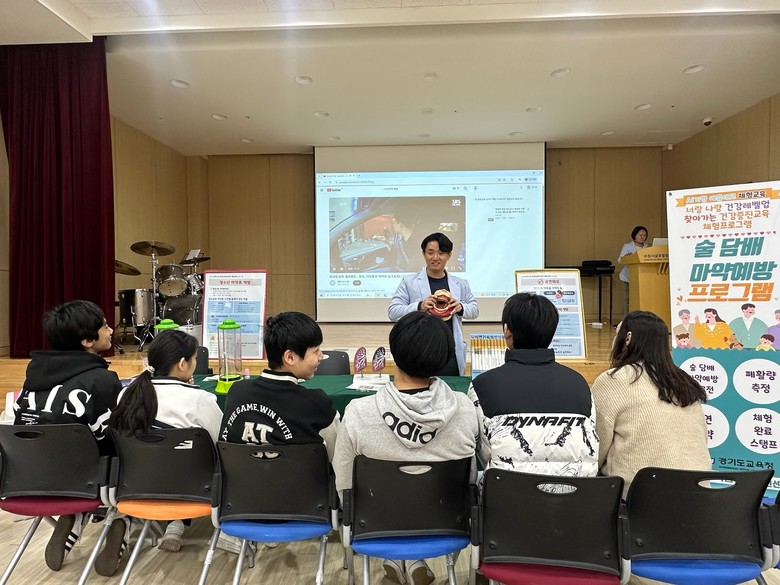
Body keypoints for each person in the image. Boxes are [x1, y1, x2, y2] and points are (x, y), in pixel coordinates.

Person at [333, 311, 479, 585]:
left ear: (394, 352)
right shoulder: (465, 409)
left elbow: (343, 483)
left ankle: (400, 559)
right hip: (446, 525)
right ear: (444, 356)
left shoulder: (359, 412)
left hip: (375, 525)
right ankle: (411, 560)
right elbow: (471, 478)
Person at [12, 300, 124, 574]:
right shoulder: (100, 380)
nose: (111, 330)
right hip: (87, 481)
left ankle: (74, 517)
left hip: (31, 478)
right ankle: (126, 523)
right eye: (105, 326)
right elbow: (111, 440)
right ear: (87, 341)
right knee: (133, 453)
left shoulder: (32, 378)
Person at [109, 329, 223, 554]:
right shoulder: (199, 399)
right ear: (182, 364)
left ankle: (139, 522)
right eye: (194, 359)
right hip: (193, 490)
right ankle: (184, 526)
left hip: (136, 487)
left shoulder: (127, 394)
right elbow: (221, 444)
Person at [467, 292, 598, 478]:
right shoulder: (580, 384)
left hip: (505, 494)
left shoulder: (482, 385)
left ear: (507, 330)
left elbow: (481, 450)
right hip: (576, 494)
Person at [591, 311, 710, 498]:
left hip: (641, 497)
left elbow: (596, 447)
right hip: (700, 494)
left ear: (628, 338)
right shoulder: (683, 381)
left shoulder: (613, 380)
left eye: (616, 334)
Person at [388, 232, 478, 375]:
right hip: (419, 351)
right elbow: (393, 312)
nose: (435, 257)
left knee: (451, 387)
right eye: (430, 253)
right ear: (423, 254)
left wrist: (461, 307)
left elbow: (474, 310)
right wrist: (420, 306)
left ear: (449, 255)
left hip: (450, 353)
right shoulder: (409, 282)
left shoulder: (460, 284)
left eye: (441, 253)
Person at [617, 225, 648, 317]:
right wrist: (627, 257)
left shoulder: (648, 247)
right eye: (640, 235)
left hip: (644, 276)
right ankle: (627, 318)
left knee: (643, 299)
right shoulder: (627, 246)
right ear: (634, 235)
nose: (642, 237)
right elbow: (620, 260)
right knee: (629, 299)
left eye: (644, 235)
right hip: (629, 277)